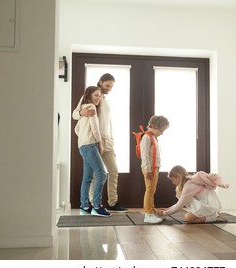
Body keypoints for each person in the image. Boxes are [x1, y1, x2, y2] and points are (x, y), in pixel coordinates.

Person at [74, 73, 128, 213]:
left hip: (108, 139)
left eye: (111, 86)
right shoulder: (91, 98)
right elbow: (75, 114)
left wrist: (111, 138)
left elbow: (107, 121)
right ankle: (92, 203)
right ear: (100, 82)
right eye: (107, 85)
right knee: (94, 174)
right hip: (94, 140)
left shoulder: (107, 101)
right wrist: (82, 114)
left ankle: (112, 202)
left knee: (113, 171)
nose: (109, 88)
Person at [73, 86, 110, 217]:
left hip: (83, 146)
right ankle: (97, 206)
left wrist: (83, 138)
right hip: (90, 145)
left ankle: (84, 206)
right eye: (96, 95)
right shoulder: (92, 108)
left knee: (88, 177)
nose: (98, 98)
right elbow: (95, 128)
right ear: (89, 96)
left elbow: (76, 129)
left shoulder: (83, 109)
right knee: (102, 174)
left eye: (100, 96)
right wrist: (99, 143)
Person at [156, 165, 230, 223]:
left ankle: (213, 217)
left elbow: (180, 205)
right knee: (188, 215)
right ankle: (213, 215)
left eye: (173, 180)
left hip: (210, 205)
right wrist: (167, 209)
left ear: (177, 177)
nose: (172, 183)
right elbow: (180, 203)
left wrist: (165, 213)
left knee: (188, 218)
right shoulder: (188, 182)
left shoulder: (189, 185)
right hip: (208, 202)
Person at [140, 115, 170, 224]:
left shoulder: (153, 137)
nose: (162, 133)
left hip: (154, 167)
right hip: (149, 168)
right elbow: (145, 155)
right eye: (161, 131)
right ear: (155, 126)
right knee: (150, 190)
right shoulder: (146, 137)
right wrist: (148, 169)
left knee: (152, 190)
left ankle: (151, 211)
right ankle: (148, 214)